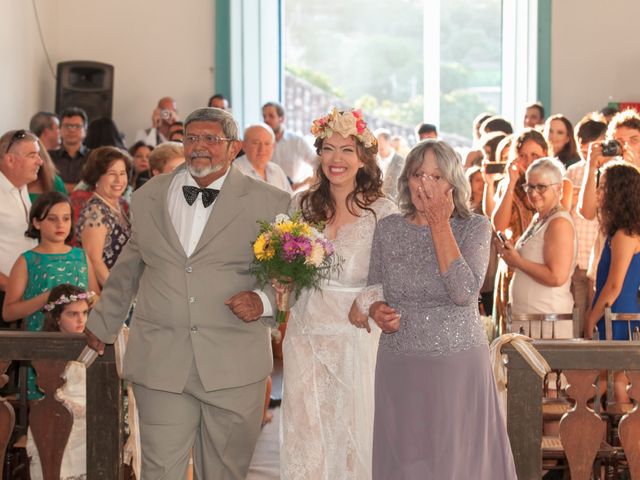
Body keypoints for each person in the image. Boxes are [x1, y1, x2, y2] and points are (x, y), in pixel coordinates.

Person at [84, 107, 290, 479]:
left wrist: (261, 301)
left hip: (234, 363)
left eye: (211, 139)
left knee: (225, 471)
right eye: (191, 137)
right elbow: (131, 262)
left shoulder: (271, 202)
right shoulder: (149, 195)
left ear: (234, 148)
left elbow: (286, 277)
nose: (199, 146)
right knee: (160, 470)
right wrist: (103, 322)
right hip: (162, 360)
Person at [351, 139, 516, 479]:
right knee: (405, 460)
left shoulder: (475, 227)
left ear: (453, 184)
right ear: (406, 180)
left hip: (455, 364)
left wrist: (440, 224)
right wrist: (377, 308)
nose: (424, 184)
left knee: (455, 460)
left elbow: (463, 293)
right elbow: (375, 285)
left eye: (436, 177)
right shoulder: (389, 228)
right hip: (400, 362)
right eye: (417, 174)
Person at [280, 108, 397, 479]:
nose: (336, 159)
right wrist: (282, 276)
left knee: (353, 429)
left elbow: (393, 279)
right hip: (306, 333)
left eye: (347, 150)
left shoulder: (383, 211)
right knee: (307, 428)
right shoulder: (301, 205)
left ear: (363, 158)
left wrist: (365, 301)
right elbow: (288, 265)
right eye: (328, 149)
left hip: (356, 336)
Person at [3, 191, 98, 399]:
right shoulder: (27, 261)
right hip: (42, 348)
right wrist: (46, 297)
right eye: (52, 219)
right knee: (45, 411)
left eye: (65, 218)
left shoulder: (80, 256)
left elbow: (96, 298)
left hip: (80, 346)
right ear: (37, 223)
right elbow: (9, 312)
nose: (60, 225)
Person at [497, 158, 577, 338]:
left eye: (541, 187)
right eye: (529, 187)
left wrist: (518, 261)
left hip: (547, 322)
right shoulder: (540, 218)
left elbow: (556, 276)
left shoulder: (559, 223)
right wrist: (510, 254)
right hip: (531, 321)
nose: (534, 193)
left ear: (558, 188)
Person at [26, 284, 95, 480]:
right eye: (72, 314)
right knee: (60, 425)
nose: (81, 320)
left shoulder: (93, 344)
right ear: (57, 318)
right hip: (58, 411)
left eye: (84, 313)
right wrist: (72, 406)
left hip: (91, 411)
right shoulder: (48, 348)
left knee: (94, 428)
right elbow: (51, 389)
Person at [585, 162, 640, 402]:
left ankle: (626, 440)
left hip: (618, 312)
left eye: (604, 187)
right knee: (607, 381)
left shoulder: (625, 234)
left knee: (619, 383)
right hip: (613, 310)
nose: (599, 192)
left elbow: (614, 285)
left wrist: (591, 317)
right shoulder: (617, 231)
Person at [0, 130, 42, 325]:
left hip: (23, 296)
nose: (40, 162)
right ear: (10, 160)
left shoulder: (22, 188)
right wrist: (12, 287)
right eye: (32, 155)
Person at [76, 146, 132, 286]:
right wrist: (117, 294)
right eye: (111, 173)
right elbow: (93, 260)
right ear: (97, 177)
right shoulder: (96, 211)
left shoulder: (119, 205)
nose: (119, 180)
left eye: (122, 173)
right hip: (108, 294)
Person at [262, 101, 317, 190]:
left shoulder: (297, 141)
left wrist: (303, 183)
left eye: (271, 116)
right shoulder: (260, 144)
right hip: (268, 194)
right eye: (264, 116)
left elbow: (317, 163)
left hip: (292, 195)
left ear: (281, 119)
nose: (266, 120)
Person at [235, 123, 292, 193]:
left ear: (273, 146)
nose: (262, 149)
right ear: (243, 145)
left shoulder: (277, 171)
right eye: (256, 143)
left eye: (267, 144)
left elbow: (290, 201)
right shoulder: (234, 172)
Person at [49, 107, 91, 192]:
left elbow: (94, 186)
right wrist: (78, 188)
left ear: (85, 131)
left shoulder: (93, 157)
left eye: (77, 126)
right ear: (60, 129)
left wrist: (61, 187)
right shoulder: (49, 156)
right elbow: (46, 184)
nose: (71, 130)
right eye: (67, 126)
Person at [375, 128, 405, 203]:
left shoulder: (401, 161)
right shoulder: (373, 161)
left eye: (381, 143)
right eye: (376, 144)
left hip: (396, 204)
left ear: (389, 143)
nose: (379, 147)